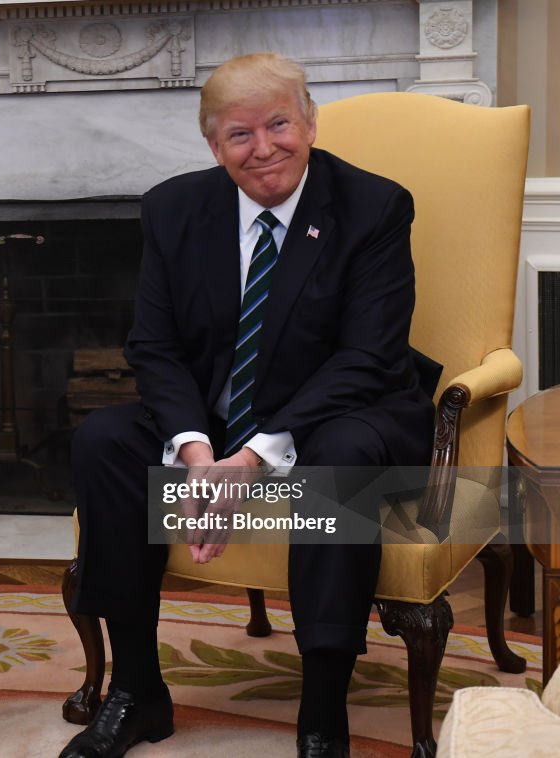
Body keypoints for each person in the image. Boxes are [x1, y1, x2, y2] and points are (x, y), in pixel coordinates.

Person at [62, 53, 434, 758]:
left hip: (338, 411)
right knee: (105, 442)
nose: (264, 148)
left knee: (342, 460)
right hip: (216, 415)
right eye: (240, 134)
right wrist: (198, 452)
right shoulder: (174, 209)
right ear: (213, 145)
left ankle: (322, 717)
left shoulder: (375, 207)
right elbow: (155, 346)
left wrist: (255, 457)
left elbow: (369, 356)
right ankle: (137, 692)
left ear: (311, 123)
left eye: (279, 124)